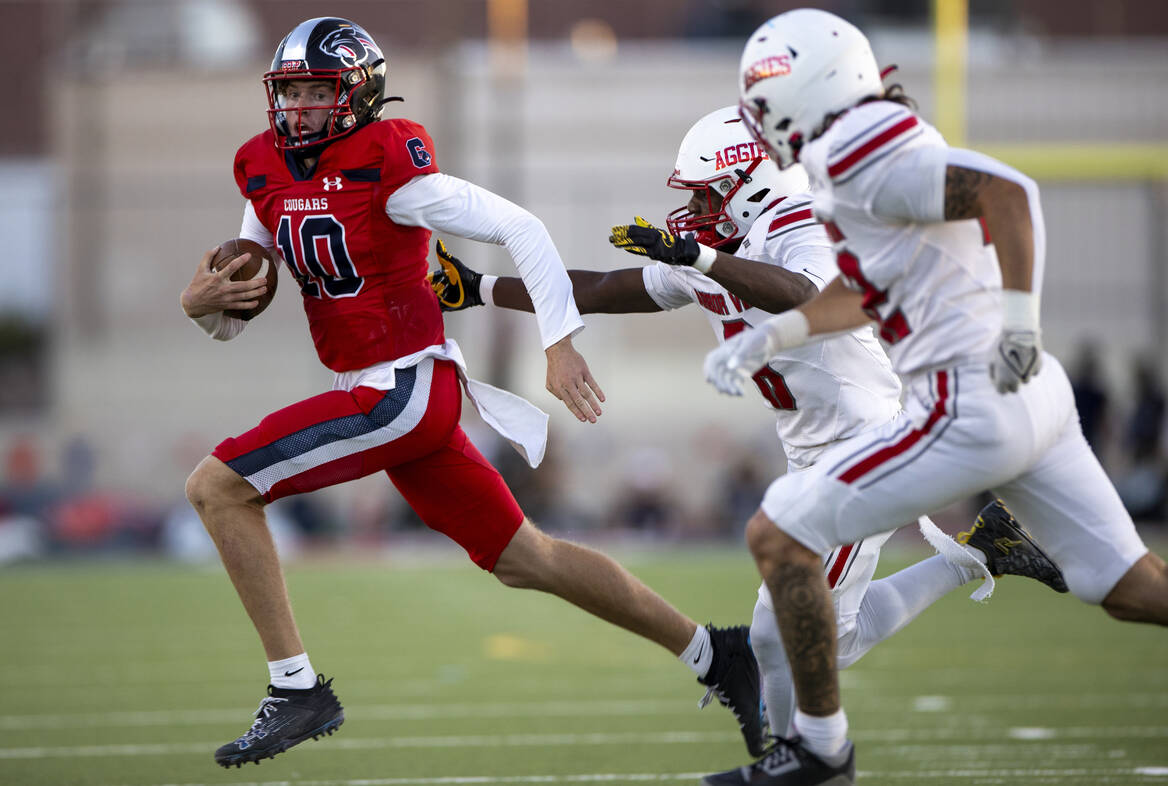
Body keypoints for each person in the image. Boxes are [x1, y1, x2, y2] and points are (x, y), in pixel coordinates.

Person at [178, 17, 763, 769]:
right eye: (287, 91)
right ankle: (714, 653)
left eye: (315, 92)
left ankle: (295, 688)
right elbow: (237, 312)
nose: (297, 108)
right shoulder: (262, 170)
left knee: (217, 487)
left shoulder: (385, 161)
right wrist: (202, 312)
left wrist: (558, 343)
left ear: (357, 94)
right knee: (529, 558)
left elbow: (522, 227)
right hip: (380, 395)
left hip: (401, 392)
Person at [431, 105, 1067, 748]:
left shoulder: (802, 222)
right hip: (813, 457)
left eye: (709, 191)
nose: (697, 206)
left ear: (751, 181)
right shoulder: (715, 251)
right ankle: (985, 552)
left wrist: (703, 258)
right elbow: (600, 286)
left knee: (787, 633)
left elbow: (807, 295)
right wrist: (482, 288)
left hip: (868, 447)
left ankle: (799, 757)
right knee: (814, 637)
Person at [700, 9, 1168, 784]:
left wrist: (1021, 318)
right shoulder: (866, 140)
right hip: (1035, 398)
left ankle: (818, 751)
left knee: (779, 535)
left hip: (970, 403)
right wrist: (774, 337)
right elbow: (873, 288)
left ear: (808, 87)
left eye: (764, 98)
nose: (758, 117)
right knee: (1127, 587)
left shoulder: (850, 149)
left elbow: (1009, 196)